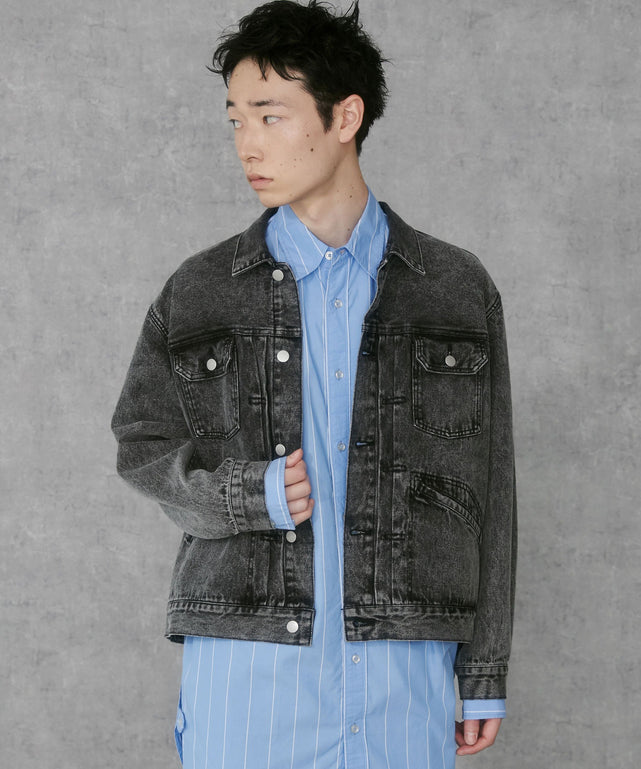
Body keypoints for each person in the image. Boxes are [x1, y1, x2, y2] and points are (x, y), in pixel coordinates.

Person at [111, 2, 517, 767]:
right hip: (249, 673)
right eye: (236, 120)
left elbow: (488, 490)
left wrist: (483, 669)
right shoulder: (198, 291)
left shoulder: (454, 287)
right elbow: (141, 444)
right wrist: (243, 494)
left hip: (402, 671)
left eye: (270, 116)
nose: (248, 143)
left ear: (345, 117)